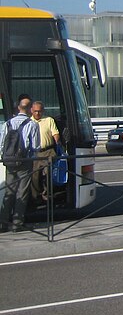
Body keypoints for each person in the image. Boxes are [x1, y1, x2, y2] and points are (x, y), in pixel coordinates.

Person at [0, 95, 41, 232]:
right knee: (22, 192)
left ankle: (3, 222)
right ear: (30, 109)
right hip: (24, 161)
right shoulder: (32, 124)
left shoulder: (7, 124)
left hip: (9, 161)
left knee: (9, 191)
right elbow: (36, 146)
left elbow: (1, 144)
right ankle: (17, 224)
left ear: (18, 107)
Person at [30, 101, 60, 203]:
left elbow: (55, 133)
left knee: (48, 174)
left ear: (43, 111)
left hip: (48, 151)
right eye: (35, 111)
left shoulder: (48, 120)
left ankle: (47, 195)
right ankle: (35, 197)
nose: (37, 113)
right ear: (31, 111)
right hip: (35, 153)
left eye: (39, 111)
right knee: (35, 176)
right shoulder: (28, 122)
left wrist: (57, 141)